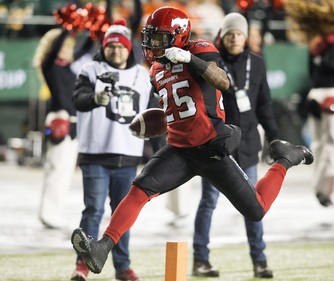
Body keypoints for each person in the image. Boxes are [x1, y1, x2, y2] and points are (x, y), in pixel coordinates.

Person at [70, 6, 313, 276]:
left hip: (210, 147)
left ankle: (286, 158)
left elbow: (222, 82)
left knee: (256, 210)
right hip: (178, 149)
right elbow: (172, 109)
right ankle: (103, 246)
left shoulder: (199, 49)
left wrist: (189, 59)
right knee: (138, 191)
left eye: (160, 37)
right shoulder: (156, 69)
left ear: (178, 35)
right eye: (150, 37)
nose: (152, 44)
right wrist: (150, 124)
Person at [70, 19, 164, 281]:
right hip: (95, 154)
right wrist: (93, 99)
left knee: (122, 215)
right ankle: (83, 265)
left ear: (128, 48)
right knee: (93, 210)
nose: (116, 50)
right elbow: (77, 99)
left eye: (120, 46)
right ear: (104, 47)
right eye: (110, 46)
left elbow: (157, 116)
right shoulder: (90, 69)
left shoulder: (143, 76)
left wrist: (161, 154)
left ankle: (122, 266)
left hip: (128, 155)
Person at [192, 13, 279, 279]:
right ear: (223, 34)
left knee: (254, 205)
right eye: (229, 32)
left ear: (245, 36)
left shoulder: (257, 62)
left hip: (249, 144)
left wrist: (275, 137)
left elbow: (264, 104)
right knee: (209, 201)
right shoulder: (211, 61)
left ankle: (259, 261)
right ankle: (200, 260)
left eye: (238, 33)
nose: (234, 37)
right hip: (218, 145)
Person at [284, 0, 334, 207]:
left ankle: (317, 186)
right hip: (331, 96)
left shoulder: (315, 44)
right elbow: (333, 65)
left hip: (315, 95)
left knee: (319, 143)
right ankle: (324, 189)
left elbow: (312, 72)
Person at [33, 27, 92, 229]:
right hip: (60, 120)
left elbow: (86, 47)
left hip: (73, 123)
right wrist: (69, 28)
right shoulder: (49, 65)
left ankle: (52, 212)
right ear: (55, 47)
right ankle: (48, 213)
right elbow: (56, 46)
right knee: (57, 169)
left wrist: (92, 29)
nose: (69, 50)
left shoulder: (68, 66)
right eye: (65, 46)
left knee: (64, 171)